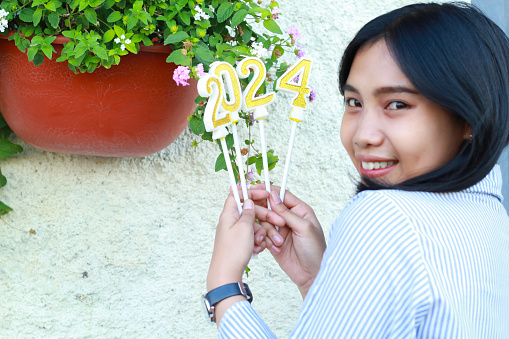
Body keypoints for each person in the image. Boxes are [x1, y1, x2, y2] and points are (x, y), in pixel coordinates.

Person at [205, 2, 509, 337]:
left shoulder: (385, 218)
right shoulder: (491, 217)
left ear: (468, 116)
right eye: (354, 103)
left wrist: (225, 288)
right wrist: (320, 277)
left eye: (397, 104)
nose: (363, 135)